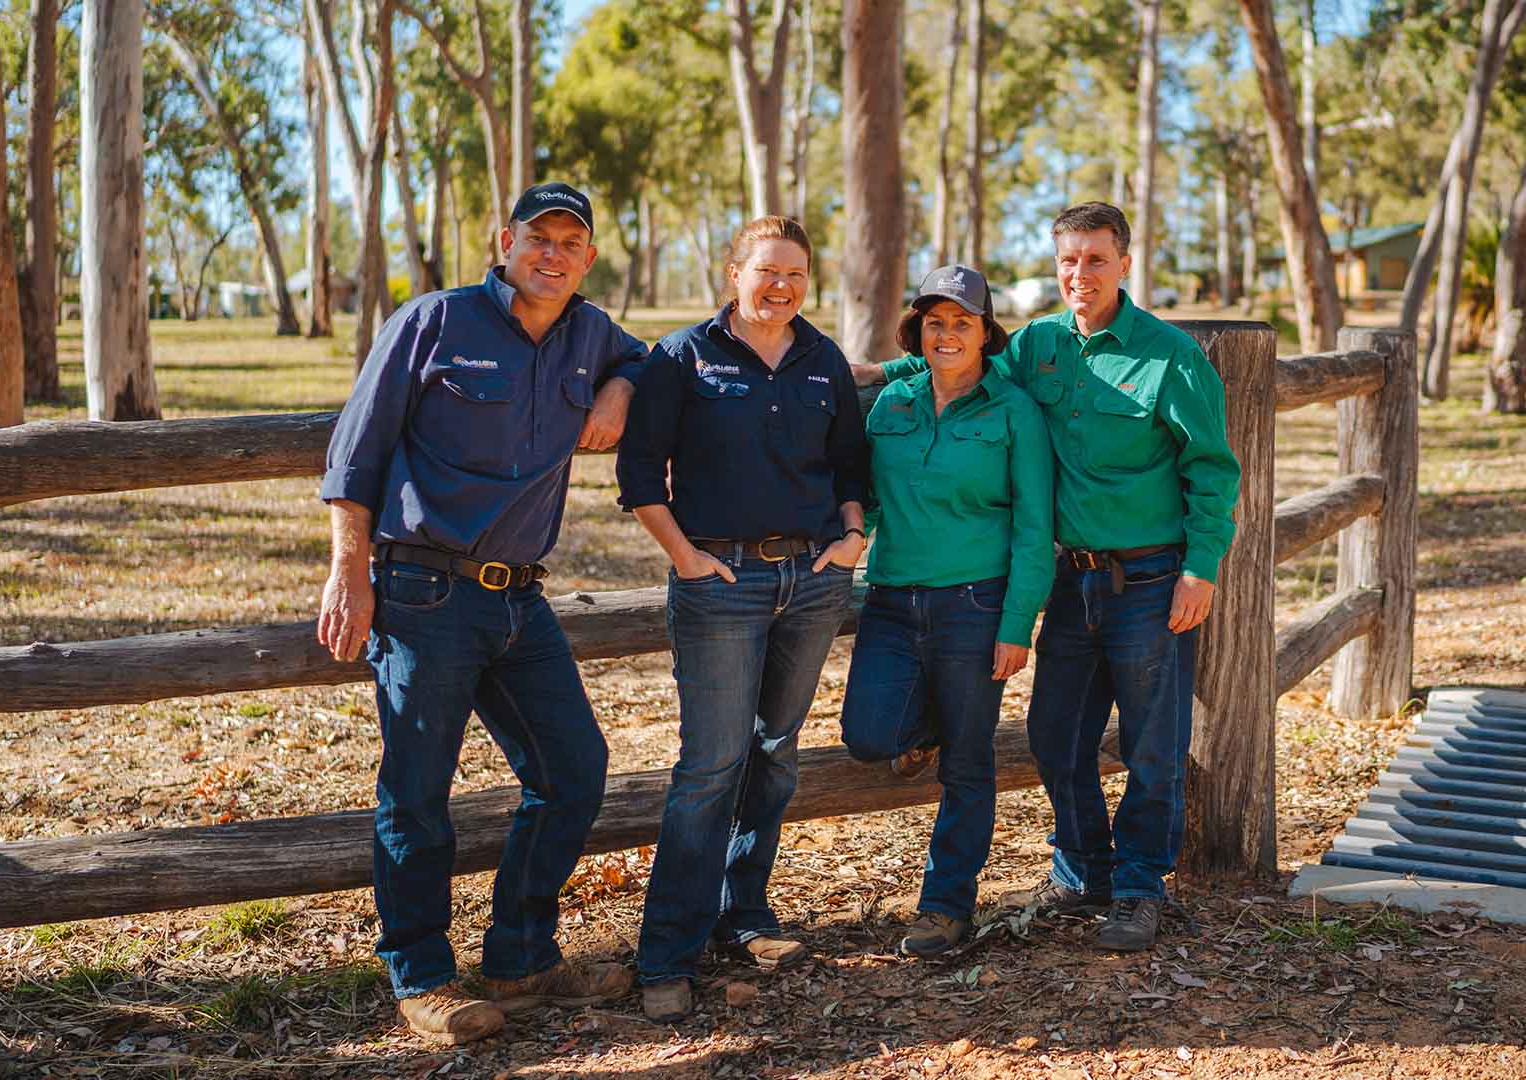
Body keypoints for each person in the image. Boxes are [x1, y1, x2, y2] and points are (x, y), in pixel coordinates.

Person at [855, 203, 1241, 952]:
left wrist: (1201, 568)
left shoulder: (1169, 356)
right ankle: (1082, 870)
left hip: (1152, 577)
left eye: (1095, 259)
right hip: (1071, 577)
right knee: (1055, 735)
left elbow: (1212, 473)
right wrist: (885, 370)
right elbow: (959, 357)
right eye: (1068, 259)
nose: (1080, 274)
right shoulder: (1038, 344)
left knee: (1152, 745)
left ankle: (1138, 885)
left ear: (1124, 264)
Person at [315, 182, 648, 1043]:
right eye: (540, 237)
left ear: (588, 259)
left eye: (572, 243)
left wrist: (621, 389)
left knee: (574, 770)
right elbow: (357, 448)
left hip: (519, 600)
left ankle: (521, 957)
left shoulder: (592, 333)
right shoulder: (434, 321)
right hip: (423, 589)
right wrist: (350, 570)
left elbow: (653, 360)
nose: (554, 255)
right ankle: (421, 975)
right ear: (506, 240)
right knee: (419, 793)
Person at [616, 215, 870, 1021]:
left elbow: (850, 464)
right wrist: (686, 558)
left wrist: (854, 535)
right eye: (768, 271)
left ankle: (744, 912)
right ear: (734, 274)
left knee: (777, 751)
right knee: (710, 766)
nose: (782, 286)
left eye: (796, 273)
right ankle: (667, 953)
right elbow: (638, 476)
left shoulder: (822, 359)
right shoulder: (681, 358)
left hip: (813, 578)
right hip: (720, 580)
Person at [838, 265, 1054, 958]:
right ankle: (925, 719)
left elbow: (1033, 525)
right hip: (893, 600)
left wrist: (1017, 625)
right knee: (869, 735)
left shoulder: (1013, 409)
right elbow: (866, 497)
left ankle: (944, 905)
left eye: (963, 322)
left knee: (968, 762)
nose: (948, 334)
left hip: (975, 603)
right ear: (918, 332)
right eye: (935, 323)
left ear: (986, 333)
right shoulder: (891, 405)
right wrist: (844, 536)